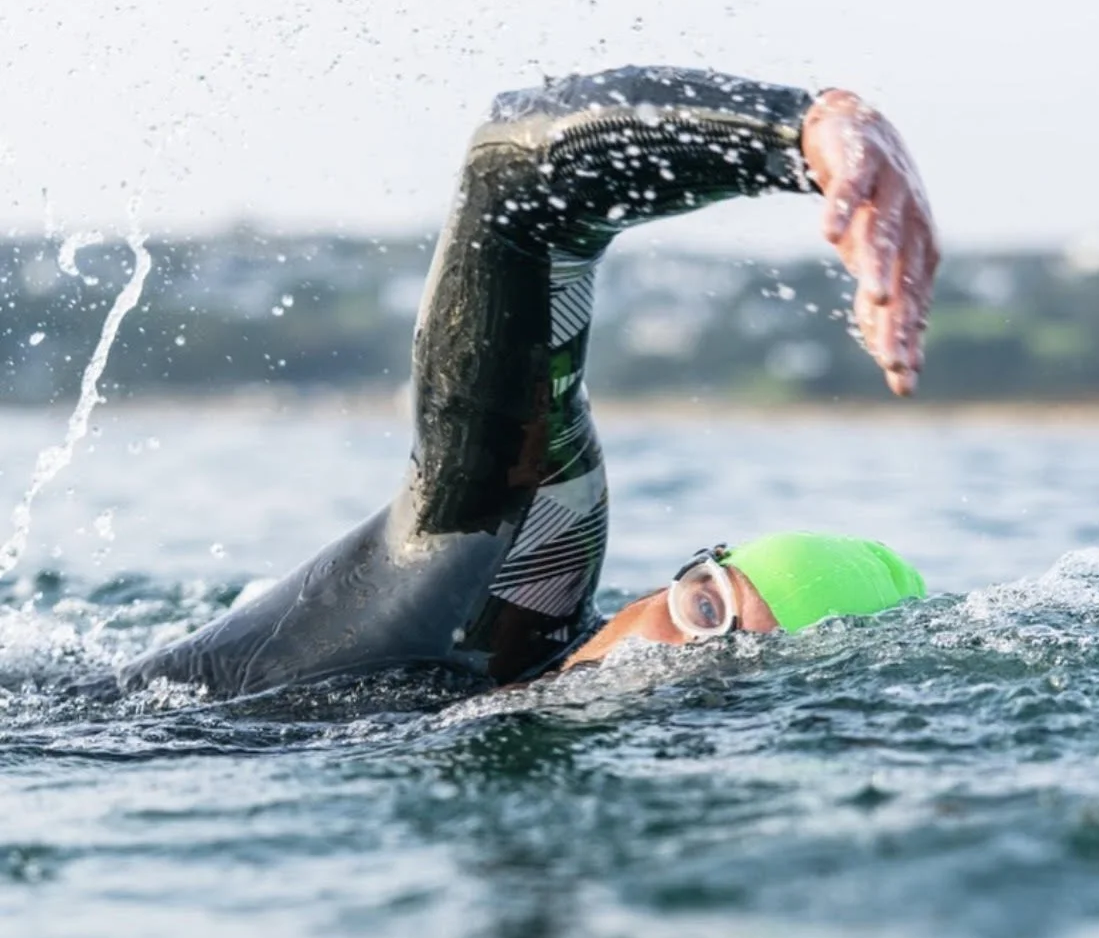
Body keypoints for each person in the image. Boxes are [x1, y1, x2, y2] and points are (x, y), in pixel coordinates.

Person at [119, 65, 938, 699]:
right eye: (702, 609)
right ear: (670, 582)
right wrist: (798, 129)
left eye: (726, 680)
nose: (666, 666)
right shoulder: (500, 589)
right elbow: (515, 184)